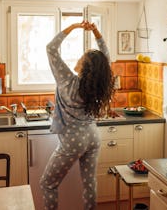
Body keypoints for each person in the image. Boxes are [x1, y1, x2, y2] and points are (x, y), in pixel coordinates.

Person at [40, 21, 115, 210]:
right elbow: (104, 57)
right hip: (92, 136)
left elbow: (51, 48)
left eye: (82, 56)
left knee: (47, 184)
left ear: (85, 65)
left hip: (74, 141)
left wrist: (73, 27)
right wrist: (96, 31)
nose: (79, 58)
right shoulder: (98, 84)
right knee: (89, 184)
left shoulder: (68, 81)